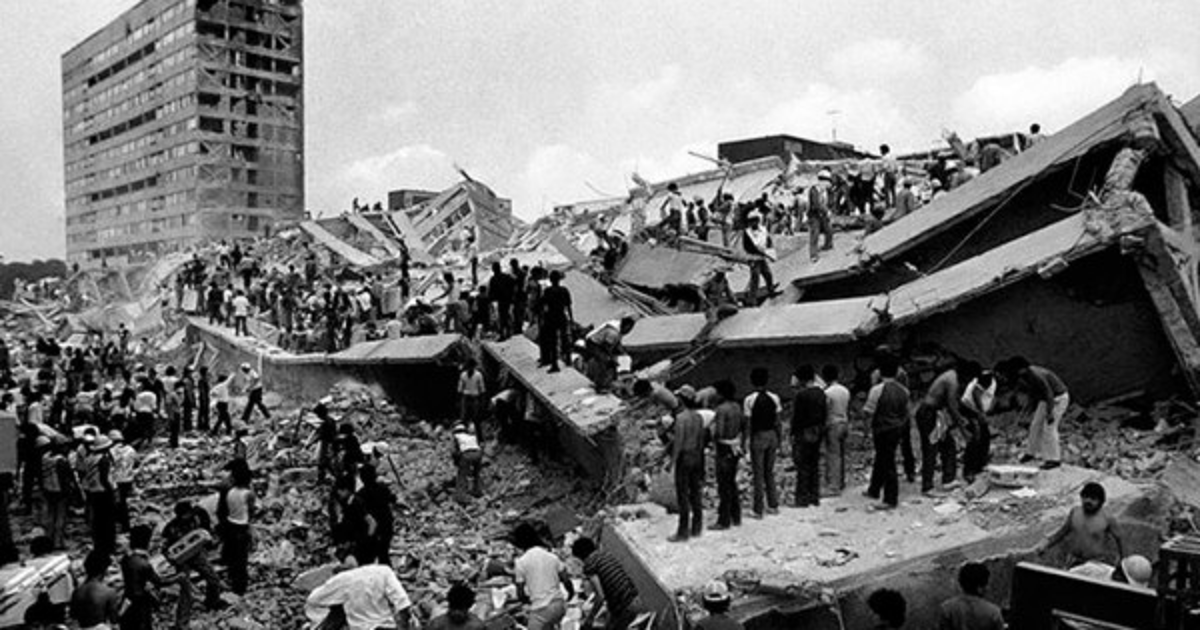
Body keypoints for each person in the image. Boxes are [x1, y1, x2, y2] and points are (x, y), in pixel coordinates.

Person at [305, 548, 413, 630]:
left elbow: (313, 599)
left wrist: (326, 615)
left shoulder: (344, 578)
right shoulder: (384, 571)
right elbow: (403, 604)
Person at [163, 500, 225, 626]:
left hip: (196, 553)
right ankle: (181, 622)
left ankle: (212, 602)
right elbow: (166, 549)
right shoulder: (171, 528)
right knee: (186, 590)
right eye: (186, 514)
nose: (188, 516)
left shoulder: (196, 517)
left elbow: (204, 529)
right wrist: (172, 558)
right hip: (182, 559)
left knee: (213, 578)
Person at [1038, 482, 1124, 567]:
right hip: (1074, 560)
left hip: (1096, 563)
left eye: (1093, 499)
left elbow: (1120, 539)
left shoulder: (1107, 518)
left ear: (1101, 502)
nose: (1088, 501)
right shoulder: (1075, 512)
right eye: (1085, 497)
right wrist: (1047, 544)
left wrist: (1122, 560)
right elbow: (1062, 532)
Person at [863, 357, 911, 510]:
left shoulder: (877, 390)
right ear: (896, 373)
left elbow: (868, 412)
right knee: (882, 458)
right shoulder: (904, 391)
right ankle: (874, 489)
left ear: (880, 373)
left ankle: (890, 498)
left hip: (882, 428)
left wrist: (866, 432)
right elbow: (906, 413)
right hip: (896, 428)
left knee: (887, 461)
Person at [1008, 357, 1068, 469]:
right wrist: (1028, 408)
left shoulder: (1036, 375)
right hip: (1045, 400)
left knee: (1049, 428)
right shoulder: (1026, 375)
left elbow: (1049, 393)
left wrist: (1050, 413)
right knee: (1035, 425)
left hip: (1057, 398)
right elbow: (1034, 393)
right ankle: (1031, 453)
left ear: (1022, 368)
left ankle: (1054, 459)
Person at [512, 522, 574, 630]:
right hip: (559, 605)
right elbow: (566, 580)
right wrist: (570, 594)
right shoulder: (552, 556)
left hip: (541, 609)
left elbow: (520, 594)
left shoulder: (521, 562)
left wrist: (528, 601)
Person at [916, 363, 966, 496]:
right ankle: (927, 487)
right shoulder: (952, 381)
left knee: (948, 445)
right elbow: (952, 406)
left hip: (936, 414)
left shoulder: (951, 375)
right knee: (931, 449)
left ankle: (948, 479)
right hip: (929, 414)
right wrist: (961, 425)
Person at [572, 537, 641, 630]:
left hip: (625, 605)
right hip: (635, 599)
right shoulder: (605, 555)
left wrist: (590, 618)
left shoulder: (590, 564)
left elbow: (600, 596)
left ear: (580, 556)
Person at [121, 524, 180, 630]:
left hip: (127, 598)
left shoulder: (126, 559)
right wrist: (178, 578)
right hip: (141, 601)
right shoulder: (144, 564)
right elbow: (160, 582)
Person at [670, 388, 707, 542]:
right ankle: (697, 527)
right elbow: (701, 440)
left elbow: (678, 442)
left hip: (684, 457)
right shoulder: (698, 417)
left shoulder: (681, 418)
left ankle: (683, 531)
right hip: (697, 455)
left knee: (683, 494)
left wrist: (672, 461)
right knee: (695, 492)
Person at [743, 367, 781, 519]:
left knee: (758, 473)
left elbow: (748, 423)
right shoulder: (775, 397)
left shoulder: (749, 399)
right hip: (772, 435)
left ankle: (758, 509)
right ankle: (773, 504)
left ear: (752, 381)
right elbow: (778, 421)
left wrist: (745, 441)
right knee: (769, 471)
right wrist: (779, 439)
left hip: (758, 436)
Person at [710, 380, 746, 530]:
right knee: (731, 483)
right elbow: (744, 426)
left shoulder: (721, 409)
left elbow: (719, 432)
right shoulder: (737, 406)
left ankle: (723, 520)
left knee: (723, 485)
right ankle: (736, 516)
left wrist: (711, 435)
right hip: (735, 446)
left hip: (724, 448)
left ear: (721, 394)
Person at [217, 459, 255, 595]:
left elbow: (224, 509)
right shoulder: (248, 494)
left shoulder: (230, 491)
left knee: (233, 557)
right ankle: (240, 588)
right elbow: (251, 512)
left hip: (230, 525)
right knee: (241, 559)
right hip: (241, 527)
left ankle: (232, 581)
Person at [791, 365, 825, 508]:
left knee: (803, 465)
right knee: (814, 464)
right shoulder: (821, 393)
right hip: (817, 431)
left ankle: (802, 498)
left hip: (803, 432)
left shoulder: (801, 395)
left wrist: (792, 433)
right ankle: (814, 496)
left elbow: (797, 417)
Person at [938, 562, 1005, 630]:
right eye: (987, 584)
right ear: (979, 588)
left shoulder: (946, 608)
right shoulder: (993, 612)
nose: (988, 588)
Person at [82, 434, 117, 556]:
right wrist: (112, 491)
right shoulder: (103, 459)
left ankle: (99, 545)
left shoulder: (89, 458)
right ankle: (109, 547)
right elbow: (105, 478)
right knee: (108, 521)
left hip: (93, 491)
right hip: (104, 492)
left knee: (98, 522)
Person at [959, 367, 995, 483]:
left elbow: (990, 397)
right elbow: (976, 394)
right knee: (975, 437)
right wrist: (981, 413)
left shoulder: (992, 382)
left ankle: (980, 465)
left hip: (979, 410)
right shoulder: (977, 384)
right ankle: (969, 470)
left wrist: (985, 412)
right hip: (968, 408)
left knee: (985, 436)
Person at [356, 464, 396, 565]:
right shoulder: (382, 488)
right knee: (384, 552)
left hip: (373, 528)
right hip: (386, 523)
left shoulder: (360, 494)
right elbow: (393, 499)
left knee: (375, 553)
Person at [70, 550, 120, 630]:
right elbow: (114, 620)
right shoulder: (109, 592)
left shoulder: (77, 592)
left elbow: (73, 617)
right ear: (104, 570)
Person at [584, 317, 636, 392]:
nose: (628, 331)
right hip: (594, 345)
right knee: (606, 362)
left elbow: (616, 343)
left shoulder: (619, 331)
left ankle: (607, 381)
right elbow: (606, 348)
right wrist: (612, 359)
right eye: (628, 328)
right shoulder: (613, 333)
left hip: (602, 345)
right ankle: (601, 386)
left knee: (613, 361)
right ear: (623, 325)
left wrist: (622, 352)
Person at [822, 365, 850, 496]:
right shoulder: (845, 390)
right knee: (842, 454)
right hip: (844, 422)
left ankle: (834, 486)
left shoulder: (827, 393)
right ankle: (841, 481)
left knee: (833, 455)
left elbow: (826, 410)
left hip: (833, 424)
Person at [539, 270, 574, 373]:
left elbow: (543, 304)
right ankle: (568, 359)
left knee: (553, 341)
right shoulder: (564, 290)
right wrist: (571, 319)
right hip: (561, 316)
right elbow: (568, 306)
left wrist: (541, 317)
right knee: (565, 338)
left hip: (551, 317)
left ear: (550, 280)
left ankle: (554, 365)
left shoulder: (548, 291)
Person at [741, 211, 776, 305]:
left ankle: (771, 291)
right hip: (753, 258)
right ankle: (752, 299)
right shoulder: (747, 232)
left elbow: (768, 240)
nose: (753, 223)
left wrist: (769, 251)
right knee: (755, 277)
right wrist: (758, 251)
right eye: (751, 221)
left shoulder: (763, 230)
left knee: (768, 274)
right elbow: (747, 246)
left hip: (762, 257)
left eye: (755, 221)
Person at [109, 430, 136, 534]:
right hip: (128, 479)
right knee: (123, 502)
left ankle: (121, 525)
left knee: (117, 504)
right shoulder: (131, 449)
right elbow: (136, 462)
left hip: (116, 480)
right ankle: (125, 525)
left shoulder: (110, 451)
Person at [451, 421, 483, 502]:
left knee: (462, 474)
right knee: (476, 473)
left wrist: (456, 462)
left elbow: (454, 451)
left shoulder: (456, 437)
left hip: (467, 454)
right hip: (478, 453)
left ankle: (461, 496)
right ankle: (478, 490)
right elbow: (478, 445)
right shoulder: (471, 436)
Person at [807, 171, 835, 261]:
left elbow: (830, 201)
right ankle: (813, 255)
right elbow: (816, 204)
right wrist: (826, 211)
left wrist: (829, 209)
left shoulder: (827, 190)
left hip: (823, 214)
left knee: (829, 229)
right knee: (815, 233)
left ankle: (828, 245)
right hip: (814, 215)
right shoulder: (814, 190)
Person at [308, 402, 338, 483]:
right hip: (331, 444)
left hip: (326, 445)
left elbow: (320, 435)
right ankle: (330, 477)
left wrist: (310, 443)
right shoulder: (331, 420)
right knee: (325, 463)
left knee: (322, 463)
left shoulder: (325, 423)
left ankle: (323, 479)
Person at [458, 358, 485, 426]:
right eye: (468, 366)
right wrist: (459, 397)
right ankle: (464, 425)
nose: (470, 368)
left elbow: (482, 387)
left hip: (475, 396)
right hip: (465, 396)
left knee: (475, 414)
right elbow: (460, 387)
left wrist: (482, 399)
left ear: (474, 366)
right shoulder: (463, 375)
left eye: (471, 366)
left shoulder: (478, 375)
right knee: (464, 414)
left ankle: (475, 426)